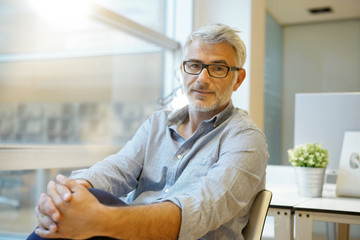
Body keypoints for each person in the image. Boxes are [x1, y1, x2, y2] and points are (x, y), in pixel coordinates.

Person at [28, 23, 269, 240]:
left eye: (218, 68)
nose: (202, 79)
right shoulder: (158, 123)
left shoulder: (246, 138)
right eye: (194, 65)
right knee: (75, 202)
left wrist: (98, 220)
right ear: (184, 70)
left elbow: (201, 210)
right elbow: (118, 168)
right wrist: (71, 192)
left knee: (92, 205)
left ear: (238, 79)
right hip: (126, 232)